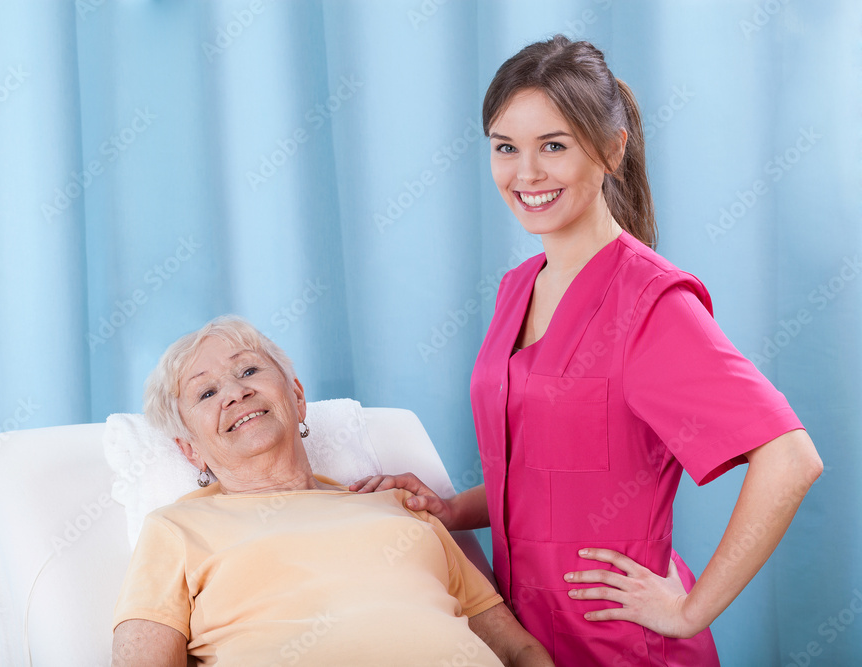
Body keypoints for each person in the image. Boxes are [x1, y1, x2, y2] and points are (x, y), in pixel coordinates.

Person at [352, 35, 823, 665]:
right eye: (505, 148)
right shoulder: (518, 289)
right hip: (524, 639)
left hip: (621, 647)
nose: (527, 174)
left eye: (554, 145)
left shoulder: (652, 304)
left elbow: (791, 458)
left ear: (610, 150)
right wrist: (451, 508)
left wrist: (690, 610)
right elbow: (546, 475)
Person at [111, 315, 554, 666]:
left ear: (298, 397)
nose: (235, 392)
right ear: (191, 451)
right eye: (206, 393)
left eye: (248, 369)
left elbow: (519, 650)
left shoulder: (401, 507)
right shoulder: (176, 528)